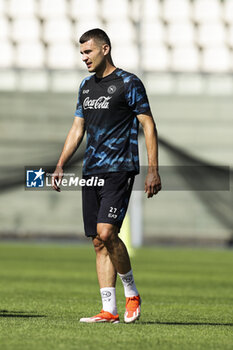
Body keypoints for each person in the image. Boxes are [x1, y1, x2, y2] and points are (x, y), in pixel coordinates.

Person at [52, 28, 161, 324]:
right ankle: (108, 310)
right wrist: (61, 163)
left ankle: (132, 294)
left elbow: (148, 125)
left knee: (106, 232)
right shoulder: (86, 87)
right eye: (81, 53)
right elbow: (78, 128)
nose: (83, 57)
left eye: (88, 52)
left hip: (120, 169)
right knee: (97, 242)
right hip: (92, 170)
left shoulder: (129, 83)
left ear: (105, 49)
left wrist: (153, 169)